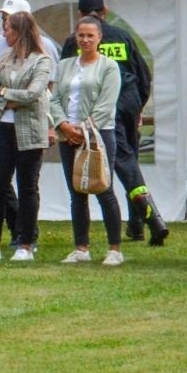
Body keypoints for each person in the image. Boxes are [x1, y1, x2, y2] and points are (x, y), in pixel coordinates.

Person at [60, 0, 167, 244]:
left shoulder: (74, 41)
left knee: (123, 163)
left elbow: (66, 83)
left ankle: (153, 220)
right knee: (129, 160)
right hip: (128, 102)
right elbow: (143, 75)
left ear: (80, 13)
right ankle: (137, 224)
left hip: (101, 108)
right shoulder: (123, 36)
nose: (86, 39)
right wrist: (138, 108)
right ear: (104, 10)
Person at [50, 15, 125, 265]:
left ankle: (114, 249)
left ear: (99, 38)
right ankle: (81, 247)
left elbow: (106, 104)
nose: (85, 40)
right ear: (75, 37)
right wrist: (63, 125)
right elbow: (54, 99)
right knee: (77, 191)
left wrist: (83, 131)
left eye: (90, 35)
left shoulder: (109, 67)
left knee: (103, 187)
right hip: (68, 134)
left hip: (98, 134)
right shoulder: (64, 66)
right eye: (81, 35)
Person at [0, 10, 54, 262]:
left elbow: (34, 93)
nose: (4, 33)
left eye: (7, 29)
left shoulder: (42, 61)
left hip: (30, 132)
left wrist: (5, 94)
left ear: (20, 31)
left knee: (27, 188)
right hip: (1, 130)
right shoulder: (3, 60)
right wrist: (10, 99)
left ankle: (25, 244)